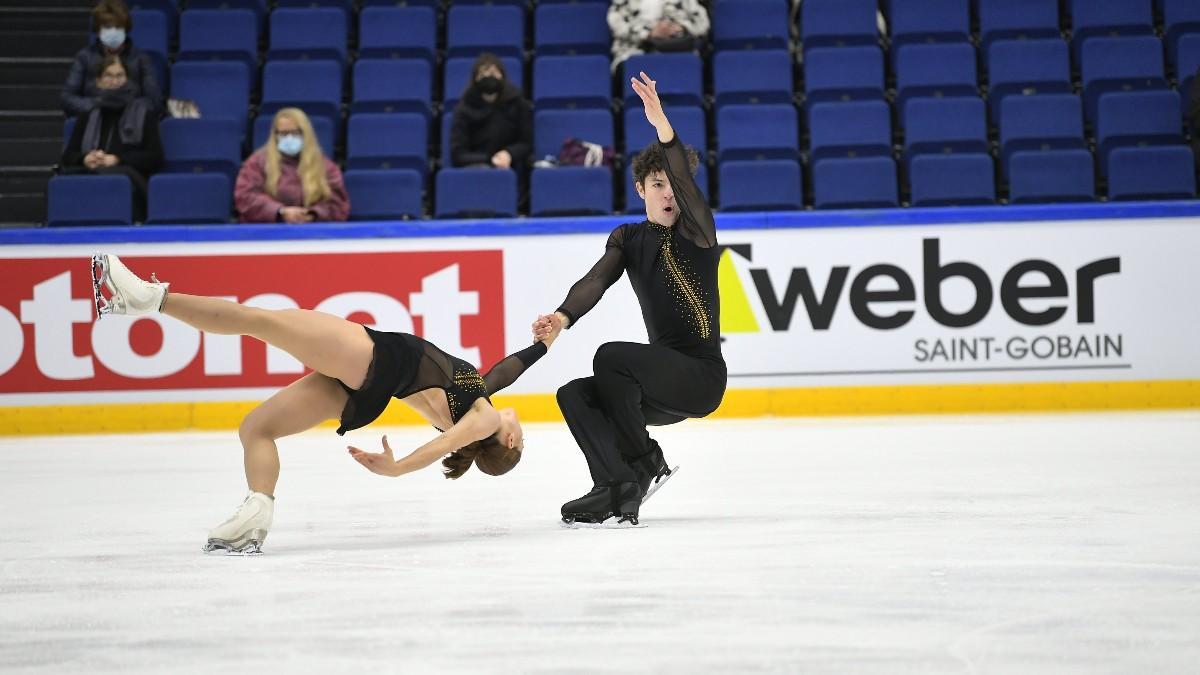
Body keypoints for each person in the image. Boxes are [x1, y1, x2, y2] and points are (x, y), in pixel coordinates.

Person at [90, 253, 552, 554]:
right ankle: (257, 509)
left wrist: (397, 468)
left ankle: (146, 298)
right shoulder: (478, 401)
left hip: (374, 358)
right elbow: (505, 370)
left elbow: (441, 446)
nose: (522, 429)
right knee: (256, 427)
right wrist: (543, 346)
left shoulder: (482, 419)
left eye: (523, 439)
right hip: (364, 385)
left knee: (257, 320)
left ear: (507, 439)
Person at [532, 72, 725, 527]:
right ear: (640, 189)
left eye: (674, 185)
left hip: (699, 376)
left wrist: (663, 127)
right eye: (657, 185)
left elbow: (681, 173)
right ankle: (615, 485)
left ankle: (643, 461)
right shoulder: (628, 237)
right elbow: (596, 280)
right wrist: (562, 316)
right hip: (657, 385)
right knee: (575, 395)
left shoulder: (698, 233)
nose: (668, 194)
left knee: (611, 356)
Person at [61, 55, 163, 223]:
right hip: (91, 175)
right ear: (99, 81)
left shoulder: (144, 114)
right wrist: (85, 158)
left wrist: (117, 159)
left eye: (119, 75)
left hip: (131, 182)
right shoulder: (87, 115)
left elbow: (154, 156)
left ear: (128, 80)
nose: (114, 81)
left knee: (108, 177)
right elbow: (68, 155)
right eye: (108, 75)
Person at [234, 108, 350, 223]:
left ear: (305, 134)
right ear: (275, 135)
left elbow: (338, 204)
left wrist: (313, 214)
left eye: (295, 133)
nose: (289, 138)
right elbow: (245, 197)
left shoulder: (325, 166)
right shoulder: (256, 163)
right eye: (283, 134)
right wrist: (280, 211)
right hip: (267, 234)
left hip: (313, 233)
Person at [61, 0, 162, 117]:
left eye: (118, 27)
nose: (113, 32)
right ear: (98, 30)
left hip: (131, 123)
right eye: (107, 27)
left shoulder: (141, 59)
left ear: (126, 29)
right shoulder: (84, 57)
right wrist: (99, 104)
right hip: (94, 122)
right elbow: (67, 99)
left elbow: (154, 101)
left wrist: (124, 106)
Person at [449, 52, 532, 172]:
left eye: (494, 73)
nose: (489, 77)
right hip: (476, 170)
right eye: (483, 74)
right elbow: (458, 154)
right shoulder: (463, 109)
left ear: (502, 77)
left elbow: (526, 143)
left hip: (512, 166)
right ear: (475, 79)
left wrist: (509, 154)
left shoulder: (518, 103)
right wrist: (490, 159)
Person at [607, 0, 711, 71]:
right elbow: (617, 24)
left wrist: (681, 27)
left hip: (677, 50)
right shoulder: (623, 2)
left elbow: (702, 24)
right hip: (633, 52)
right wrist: (649, 33)